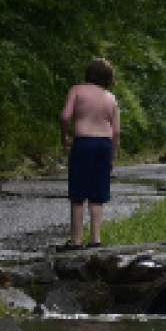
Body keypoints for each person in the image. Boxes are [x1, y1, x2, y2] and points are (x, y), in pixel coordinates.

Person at [58, 57, 121, 251]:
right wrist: (112, 156)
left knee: (78, 193)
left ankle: (76, 240)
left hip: (83, 143)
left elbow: (65, 116)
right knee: (98, 194)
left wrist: (64, 136)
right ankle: (95, 239)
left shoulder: (77, 90)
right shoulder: (111, 98)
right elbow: (117, 131)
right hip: (104, 144)